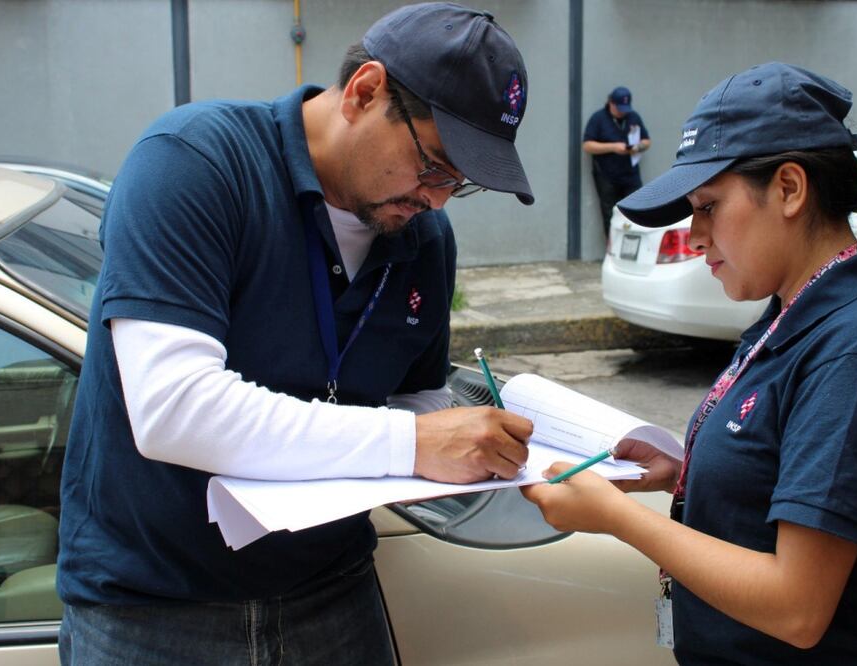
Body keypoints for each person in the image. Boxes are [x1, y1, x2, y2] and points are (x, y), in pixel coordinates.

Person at [57, 3, 536, 664]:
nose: (438, 198)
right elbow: (173, 409)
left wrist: (480, 444)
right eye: (434, 165)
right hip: (154, 609)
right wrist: (414, 439)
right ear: (365, 92)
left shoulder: (423, 239)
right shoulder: (197, 164)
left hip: (332, 598)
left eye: (461, 183)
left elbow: (415, 399)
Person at [523, 62, 857, 665]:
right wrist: (690, 470)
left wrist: (614, 517)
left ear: (790, 189)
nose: (695, 235)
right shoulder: (791, 311)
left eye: (709, 206)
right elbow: (785, 463)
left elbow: (796, 606)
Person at [582, 86, 651, 238]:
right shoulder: (598, 119)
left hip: (630, 175)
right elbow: (587, 145)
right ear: (611, 103)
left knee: (636, 211)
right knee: (610, 215)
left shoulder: (633, 117)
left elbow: (647, 141)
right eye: (619, 108)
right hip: (607, 176)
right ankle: (612, 250)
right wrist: (613, 147)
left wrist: (637, 147)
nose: (622, 112)